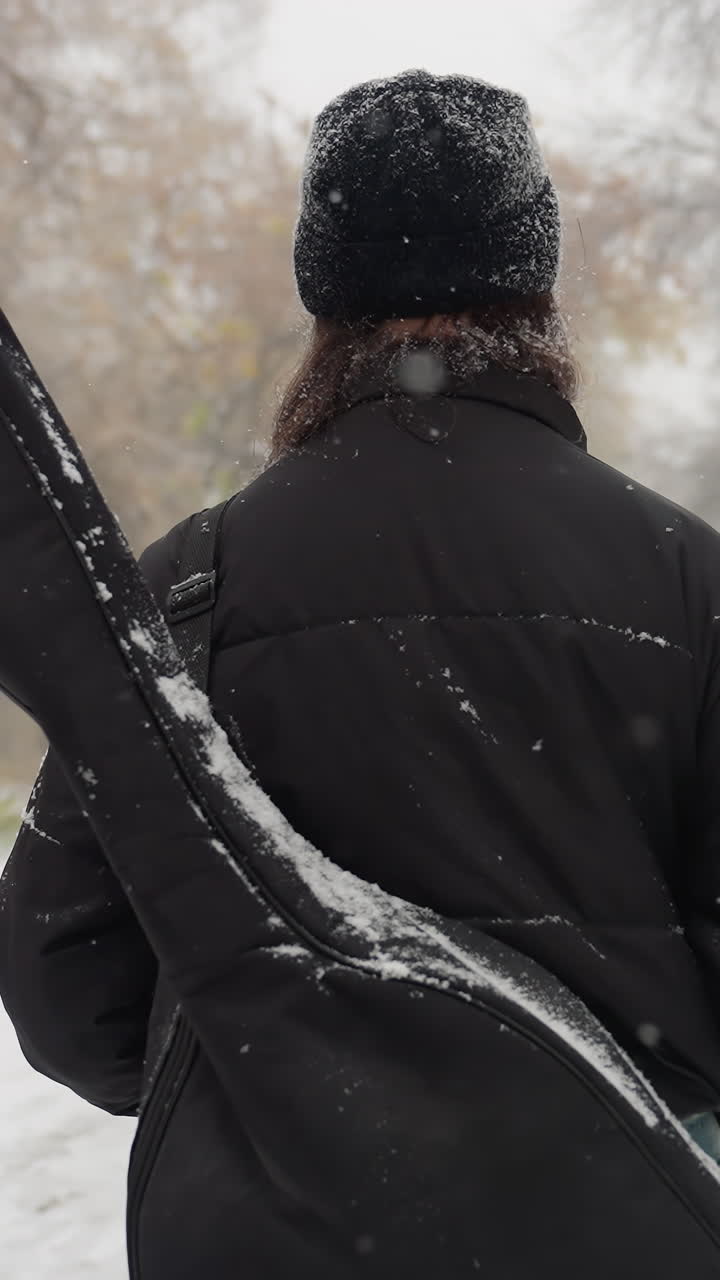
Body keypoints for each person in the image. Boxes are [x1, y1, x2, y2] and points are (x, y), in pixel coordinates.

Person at [3, 65, 720, 1270]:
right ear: (535, 281)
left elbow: (62, 979)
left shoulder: (178, 594)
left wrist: (281, 1092)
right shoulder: (690, 583)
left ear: (322, 294)